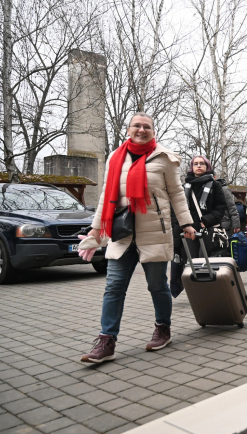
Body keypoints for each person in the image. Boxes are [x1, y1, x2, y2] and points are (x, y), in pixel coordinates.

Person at [79, 112, 196, 364]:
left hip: (155, 232)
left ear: (153, 131)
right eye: (137, 126)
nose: (141, 130)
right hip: (122, 233)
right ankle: (106, 339)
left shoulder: (164, 159)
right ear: (128, 129)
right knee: (114, 287)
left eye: (147, 127)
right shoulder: (115, 157)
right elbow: (105, 197)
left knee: (157, 286)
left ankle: (163, 328)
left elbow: (176, 193)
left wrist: (186, 223)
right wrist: (94, 230)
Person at [180, 155, 228, 258]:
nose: (199, 166)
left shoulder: (215, 185)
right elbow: (179, 209)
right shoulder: (185, 187)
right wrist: (184, 226)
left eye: (202, 163)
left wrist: (206, 220)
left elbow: (221, 207)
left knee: (206, 264)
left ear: (207, 167)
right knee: (192, 265)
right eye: (195, 164)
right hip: (190, 231)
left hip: (209, 231)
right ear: (192, 167)